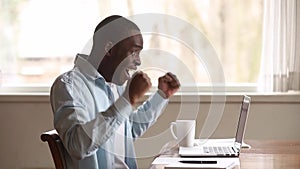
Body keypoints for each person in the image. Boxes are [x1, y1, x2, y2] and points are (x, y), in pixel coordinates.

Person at [50, 15, 180, 169]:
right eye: (133, 52)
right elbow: (77, 146)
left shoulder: (115, 85)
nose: (138, 61)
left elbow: (128, 131)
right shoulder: (69, 86)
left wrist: (161, 96)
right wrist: (126, 101)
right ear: (109, 49)